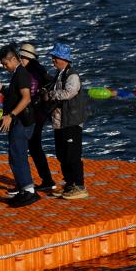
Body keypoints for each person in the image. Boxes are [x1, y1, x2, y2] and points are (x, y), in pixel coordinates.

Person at [0, 44, 39, 207]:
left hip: (21, 122)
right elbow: (17, 95)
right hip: (20, 121)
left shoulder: (21, 74)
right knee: (16, 155)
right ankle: (24, 188)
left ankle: (28, 191)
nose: (4, 67)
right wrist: (3, 90)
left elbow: (26, 98)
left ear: (13, 59)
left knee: (18, 155)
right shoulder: (18, 74)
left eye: (5, 63)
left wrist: (11, 115)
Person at [46, 44, 89, 199]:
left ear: (64, 59)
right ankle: (69, 183)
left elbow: (69, 93)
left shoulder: (72, 76)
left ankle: (79, 185)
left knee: (72, 155)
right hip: (60, 122)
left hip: (71, 122)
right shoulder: (60, 74)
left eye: (55, 57)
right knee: (62, 154)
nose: (53, 60)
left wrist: (51, 95)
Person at [19, 44, 56, 192]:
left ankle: (46, 179)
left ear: (28, 58)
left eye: (22, 57)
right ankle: (47, 179)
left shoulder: (31, 74)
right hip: (40, 115)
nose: (20, 60)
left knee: (34, 148)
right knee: (35, 148)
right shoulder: (38, 70)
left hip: (34, 116)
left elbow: (30, 93)